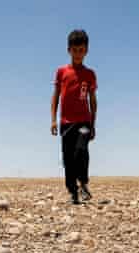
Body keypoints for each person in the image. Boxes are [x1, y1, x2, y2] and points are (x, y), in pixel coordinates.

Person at [51, 29, 97, 205]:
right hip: (65, 123)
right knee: (68, 159)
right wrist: (53, 119)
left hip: (84, 121)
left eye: (82, 50)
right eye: (75, 50)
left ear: (86, 51)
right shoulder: (61, 72)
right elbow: (55, 95)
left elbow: (93, 99)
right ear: (69, 50)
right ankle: (73, 191)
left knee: (81, 151)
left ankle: (83, 183)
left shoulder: (90, 74)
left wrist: (93, 123)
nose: (78, 54)